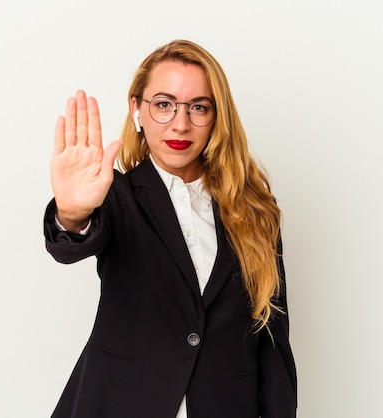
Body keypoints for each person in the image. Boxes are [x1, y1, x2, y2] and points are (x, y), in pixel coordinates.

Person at [44, 40, 297, 418]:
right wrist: (72, 213)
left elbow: (272, 339)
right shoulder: (115, 196)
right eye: (163, 105)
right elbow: (71, 245)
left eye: (198, 107)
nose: (181, 123)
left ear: (217, 116)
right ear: (137, 111)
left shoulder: (254, 212)